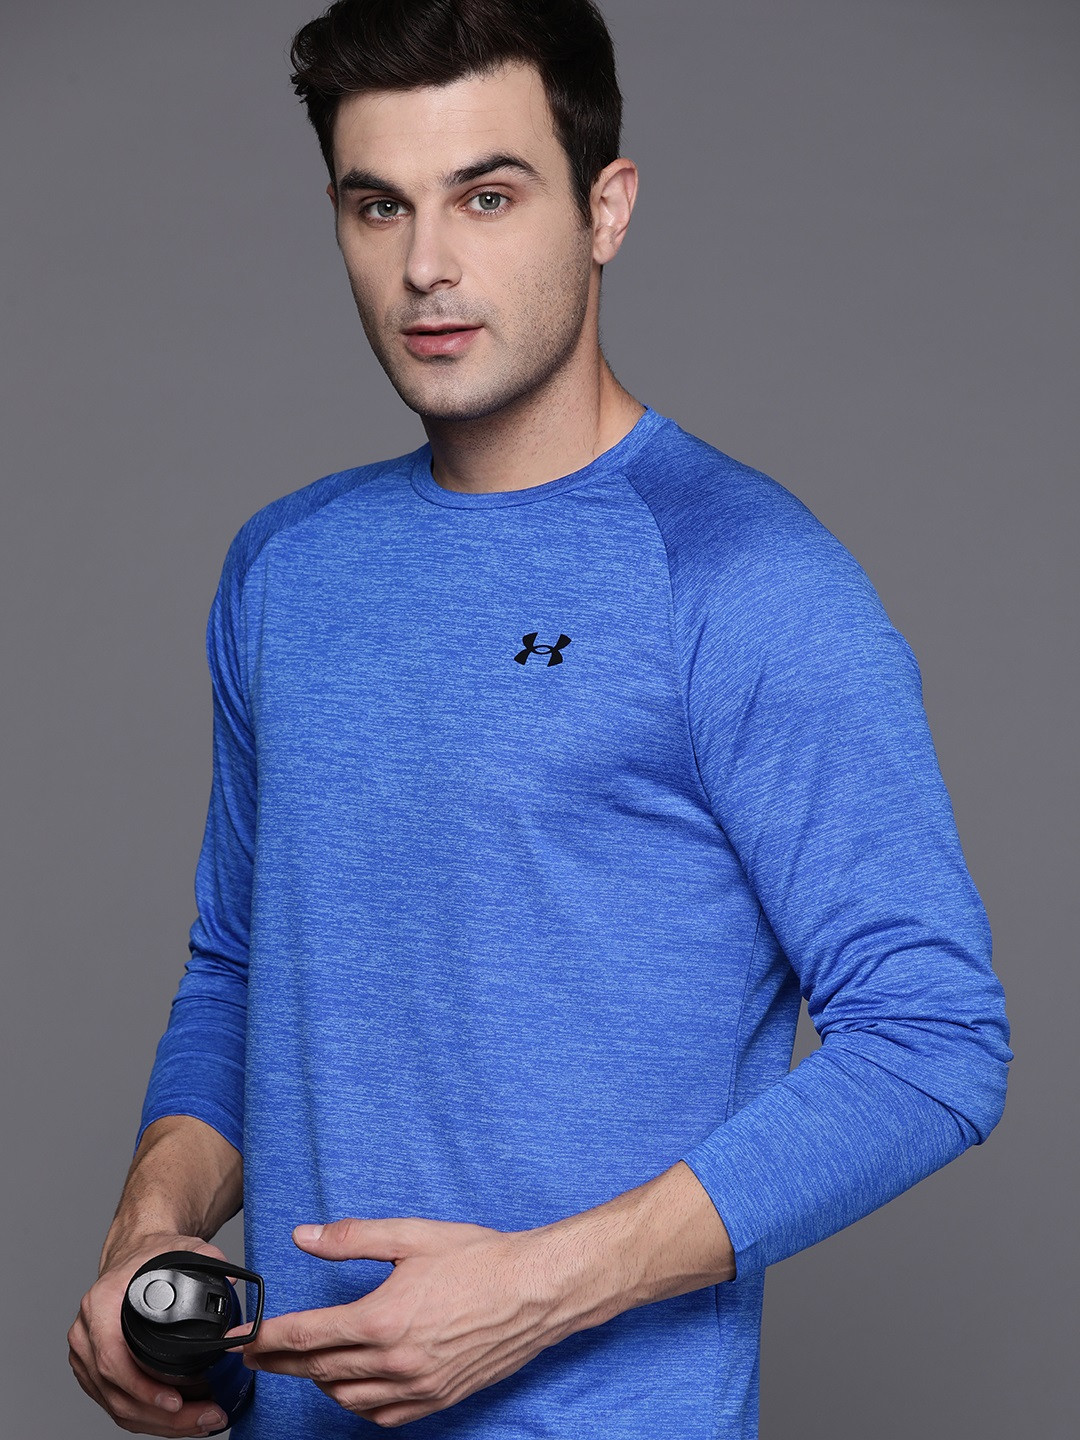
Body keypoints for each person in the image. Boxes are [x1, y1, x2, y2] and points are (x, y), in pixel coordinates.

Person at [67, 2, 1013, 1436]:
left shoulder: (743, 578)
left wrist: (538, 1293)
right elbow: (239, 968)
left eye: (489, 197)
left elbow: (934, 1041)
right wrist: (149, 1231)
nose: (427, 266)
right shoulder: (287, 567)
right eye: (380, 206)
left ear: (605, 209)